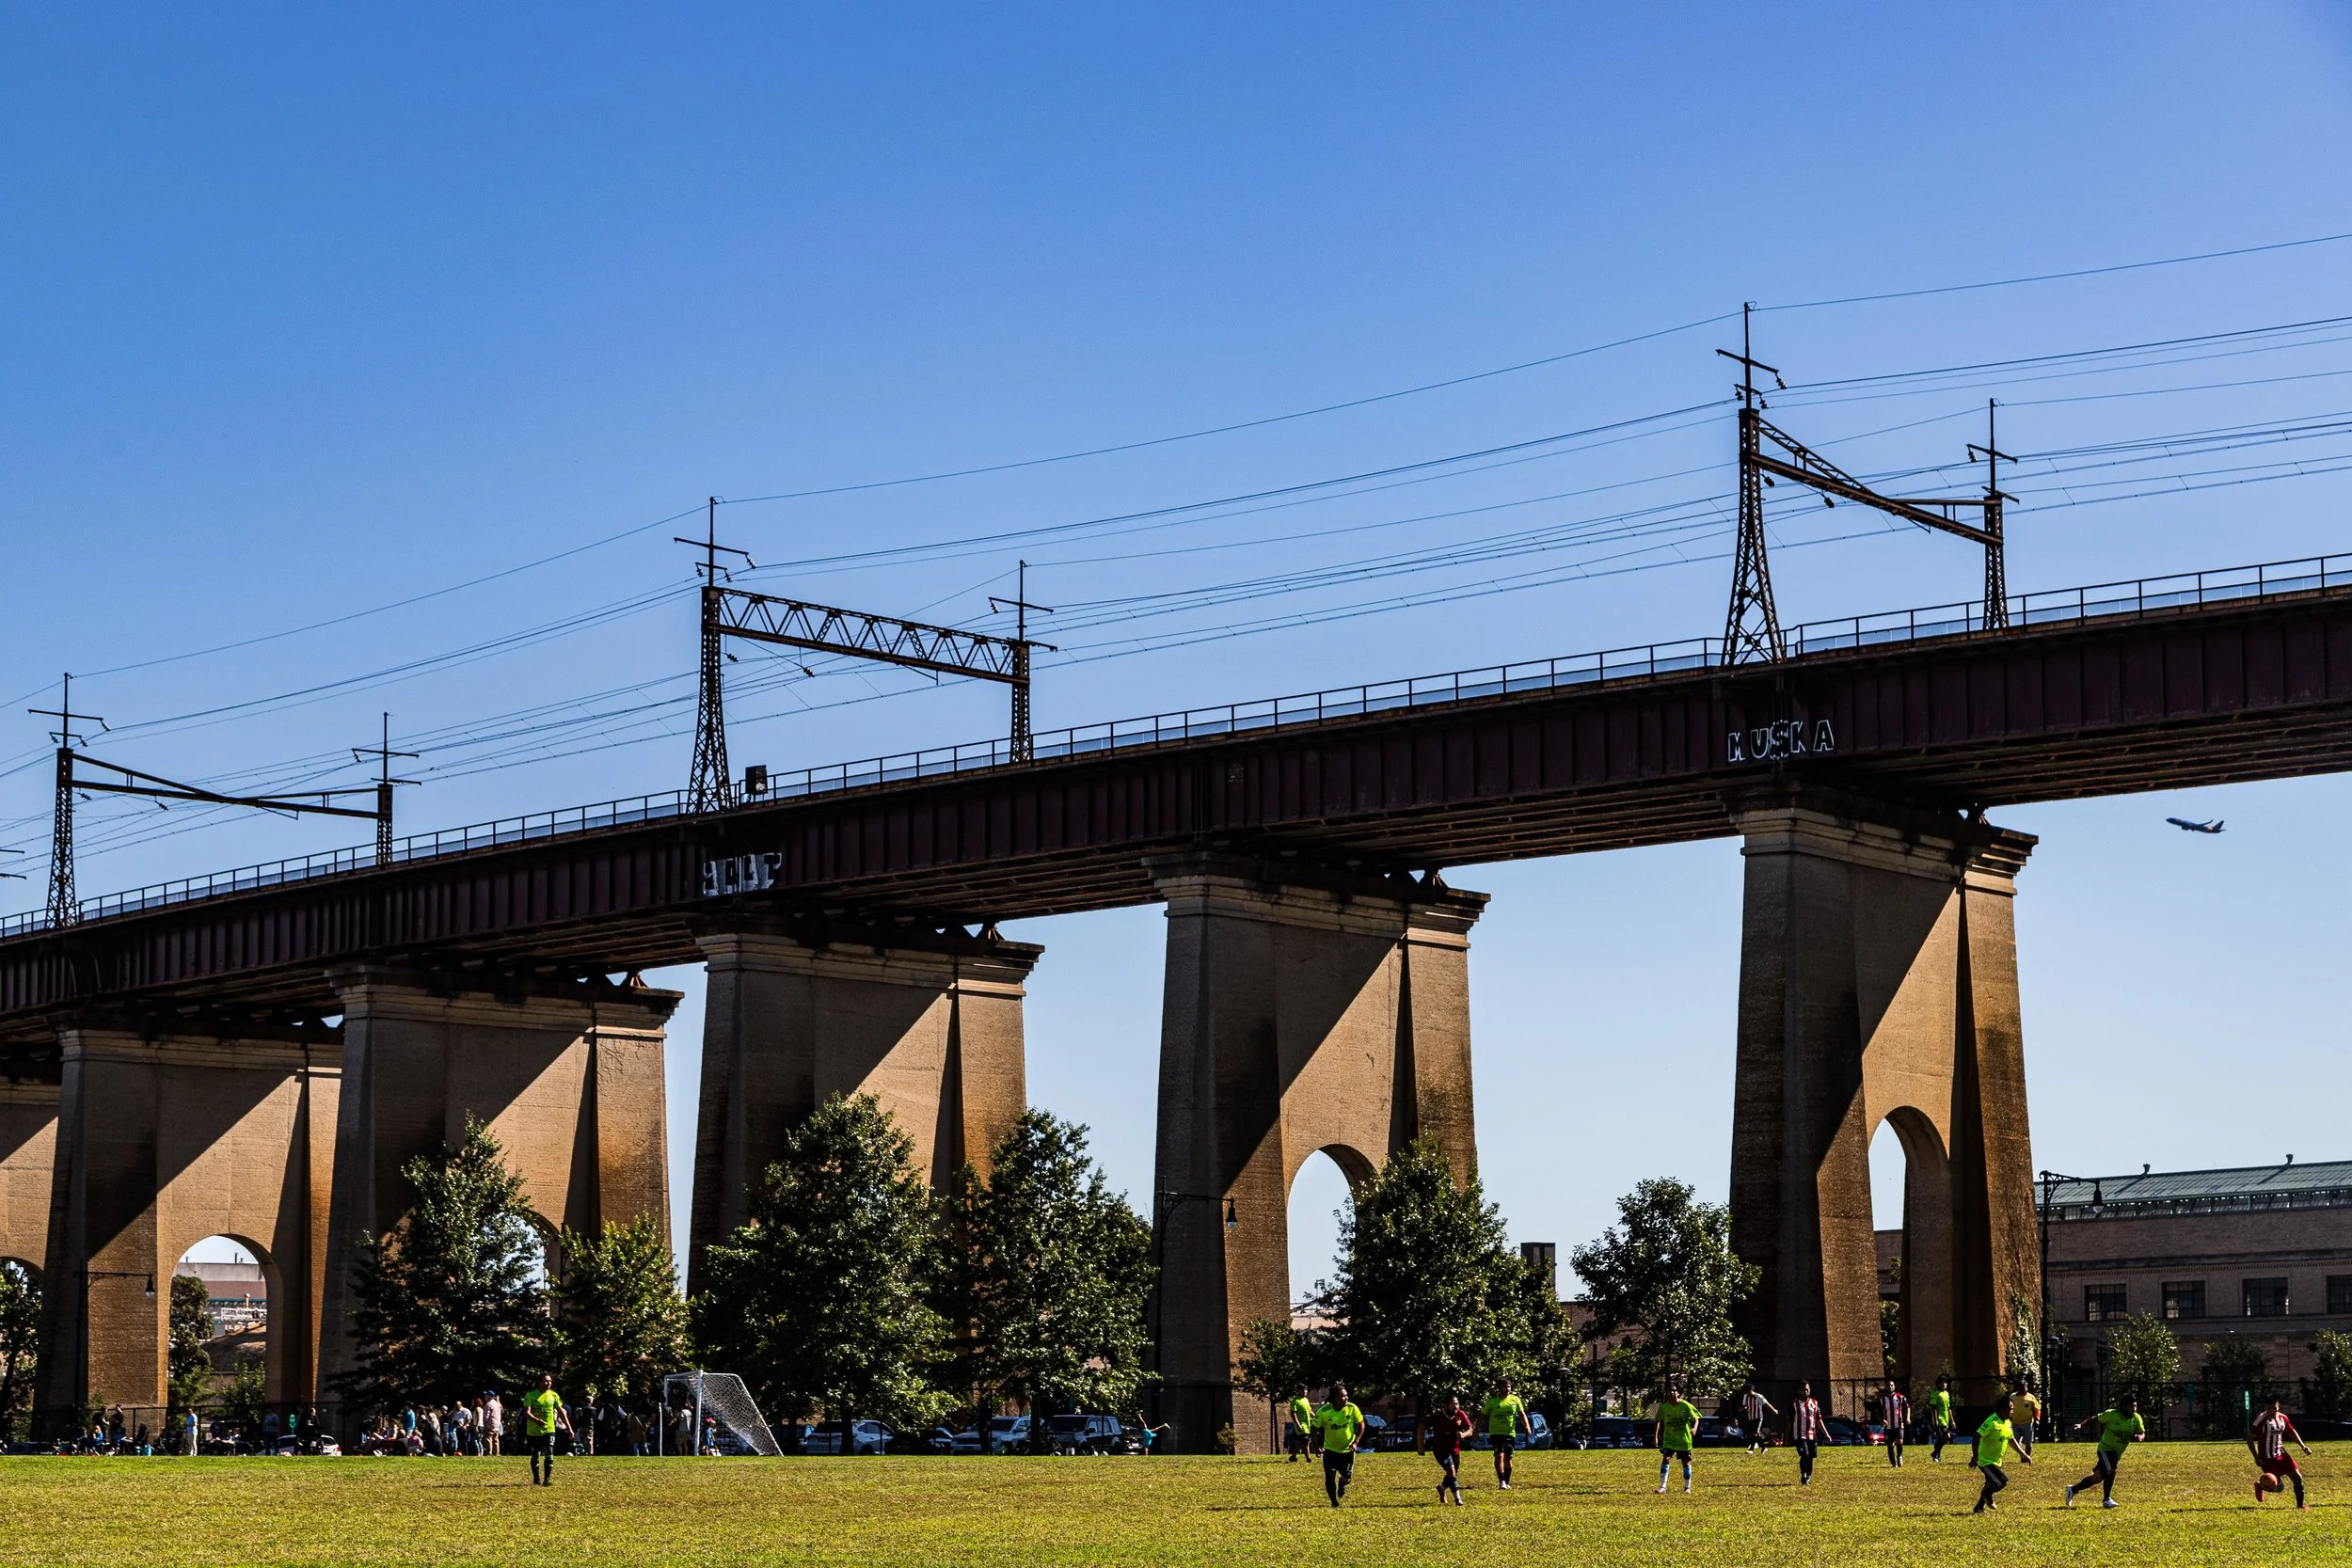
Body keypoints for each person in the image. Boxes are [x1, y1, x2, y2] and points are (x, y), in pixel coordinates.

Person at [2063, 1393, 2145, 1510]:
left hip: (2116, 1453)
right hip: (2105, 1449)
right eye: (2131, 1406)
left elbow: (2142, 1432)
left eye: (2135, 1406)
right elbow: (2095, 1419)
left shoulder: (2136, 1418)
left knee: (2097, 1478)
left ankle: (2073, 1489)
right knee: (2111, 1471)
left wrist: (2140, 1437)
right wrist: (2081, 1425)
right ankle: (2107, 1500)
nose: (2134, 1409)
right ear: (2123, 1407)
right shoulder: (2112, 1414)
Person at [1968, 1392, 2032, 1513]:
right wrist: (1975, 1456)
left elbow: (2011, 1439)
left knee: (1990, 1483)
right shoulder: (1992, 1422)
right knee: (2001, 1481)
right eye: (2011, 1409)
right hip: (1985, 1461)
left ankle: (1979, 1508)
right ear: (2003, 1410)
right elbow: (1977, 1436)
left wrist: (2023, 1454)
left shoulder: (2007, 1422)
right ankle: (1987, 1495)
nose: (2012, 1411)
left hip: (1996, 1460)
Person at [2249, 1396, 2312, 1509]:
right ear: (2265, 1408)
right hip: (2267, 1458)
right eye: (2269, 1409)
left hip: (2282, 1454)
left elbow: (2292, 1432)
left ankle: (2300, 1505)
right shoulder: (2260, 1420)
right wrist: (2256, 1457)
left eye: (2274, 1408)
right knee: (2279, 1488)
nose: (2271, 1411)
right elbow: (2249, 1439)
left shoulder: (2283, 1418)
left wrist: (2303, 1446)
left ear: (2278, 1406)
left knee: (2298, 1478)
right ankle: (2260, 1486)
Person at [1313, 1386, 1367, 1507]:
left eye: (1346, 1395)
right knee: (1330, 1476)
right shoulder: (1323, 1411)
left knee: (1347, 1478)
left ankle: (1342, 1484)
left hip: (1348, 1450)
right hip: (1330, 1450)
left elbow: (1361, 1424)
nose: (1346, 1398)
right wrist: (1317, 1446)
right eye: (1343, 1396)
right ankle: (1334, 1502)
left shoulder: (1352, 1408)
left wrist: (1355, 1442)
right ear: (1334, 1399)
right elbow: (1314, 1428)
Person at [522, 1373, 572, 1486]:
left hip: (549, 1429)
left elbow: (561, 1412)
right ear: (539, 1382)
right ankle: (536, 1479)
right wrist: (537, 1420)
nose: (549, 1383)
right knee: (536, 1453)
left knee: (550, 1450)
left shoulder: (553, 1395)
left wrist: (569, 1428)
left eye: (550, 1381)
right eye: (546, 1381)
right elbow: (526, 1413)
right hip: (533, 1430)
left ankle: (547, 1479)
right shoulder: (531, 1395)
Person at [1483, 1379, 1532, 1489]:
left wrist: (1527, 1426)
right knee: (1499, 1455)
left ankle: (1507, 1481)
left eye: (1509, 1387)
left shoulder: (1515, 1400)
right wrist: (1476, 1430)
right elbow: (1482, 1415)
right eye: (1505, 1387)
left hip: (1510, 1433)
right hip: (1496, 1433)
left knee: (1508, 1458)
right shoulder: (1492, 1402)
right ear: (1499, 1388)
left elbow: (1522, 1414)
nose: (1507, 1389)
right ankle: (1501, 1481)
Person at [1426, 1393, 1473, 1506]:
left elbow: (1470, 1429)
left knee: (1452, 1473)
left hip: (1455, 1449)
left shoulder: (1460, 1414)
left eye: (1457, 1404)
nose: (1456, 1406)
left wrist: (1463, 1434)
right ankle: (1458, 1498)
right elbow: (1421, 1427)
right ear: (1446, 1406)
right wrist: (1421, 1447)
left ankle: (1441, 1488)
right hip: (1440, 1449)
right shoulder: (1438, 1416)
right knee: (1451, 1471)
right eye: (1453, 1404)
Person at [1655, 1384, 1700, 1494]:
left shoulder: (1685, 1405)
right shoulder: (1664, 1407)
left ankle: (1687, 1488)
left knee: (1686, 1463)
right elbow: (1657, 1421)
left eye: (1674, 1391)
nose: (1672, 1392)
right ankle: (1663, 1487)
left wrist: (1694, 1428)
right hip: (1669, 1439)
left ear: (1678, 1393)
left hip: (1684, 1440)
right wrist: (1655, 1437)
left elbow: (1696, 1418)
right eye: (1669, 1391)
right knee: (1666, 1459)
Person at [1789, 1383, 1824, 1485]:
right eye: (1804, 1389)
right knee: (1805, 1454)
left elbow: (1818, 1420)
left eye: (1807, 1389)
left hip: (1812, 1435)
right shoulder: (1794, 1404)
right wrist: (1786, 1437)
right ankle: (1803, 1475)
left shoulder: (1814, 1403)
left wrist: (1826, 1434)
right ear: (1799, 1390)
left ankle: (1808, 1477)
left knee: (1811, 1457)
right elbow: (1789, 1421)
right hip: (1800, 1435)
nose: (1806, 1391)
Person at [1740, 1384, 1778, 1453]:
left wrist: (1774, 1410)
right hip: (1750, 1417)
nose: (1747, 1393)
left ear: (1752, 1390)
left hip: (1758, 1417)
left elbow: (1766, 1403)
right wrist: (1743, 1408)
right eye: (1746, 1392)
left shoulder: (1758, 1396)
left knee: (1756, 1432)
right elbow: (1745, 1405)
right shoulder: (1746, 1396)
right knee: (1755, 1434)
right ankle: (1764, 1448)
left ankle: (1751, 1450)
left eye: (1749, 1392)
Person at [1881, 1381, 1910, 1467]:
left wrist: (1907, 1418)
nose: (1890, 1387)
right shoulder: (1882, 1399)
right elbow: (1877, 1412)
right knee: (1890, 1444)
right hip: (1888, 1426)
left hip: (1899, 1424)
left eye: (1892, 1385)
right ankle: (1893, 1463)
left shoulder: (1900, 1397)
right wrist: (1882, 1420)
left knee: (1899, 1442)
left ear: (1894, 1386)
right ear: (1886, 1387)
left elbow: (1907, 1408)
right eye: (1888, 1385)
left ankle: (1899, 1456)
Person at [1927, 1376, 1955, 1462]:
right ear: (1938, 1384)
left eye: (1945, 1383)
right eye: (1942, 1383)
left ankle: (1936, 1454)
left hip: (1946, 1420)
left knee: (1941, 1438)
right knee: (1947, 1436)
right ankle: (1936, 1454)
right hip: (1939, 1419)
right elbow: (1933, 1408)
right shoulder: (1935, 1393)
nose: (1944, 1384)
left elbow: (1949, 1408)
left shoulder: (1946, 1393)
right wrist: (1935, 1421)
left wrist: (1952, 1421)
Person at [2011, 1379, 2040, 1459]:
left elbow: (2036, 1409)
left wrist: (2037, 1419)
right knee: (2015, 1442)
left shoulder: (2031, 1397)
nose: (2024, 1389)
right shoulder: (2012, 1397)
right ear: (2018, 1388)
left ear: (2027, 1388)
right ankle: (2023, 1456)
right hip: (2015, 1423)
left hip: (2028, 1423)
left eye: (2025, 1387)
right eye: (2022, 1387)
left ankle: (2027, 1458)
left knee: (2028, 1442)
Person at [1286, 1387, 1313, 1464]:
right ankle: (1308, 1459)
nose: (1304, 1391)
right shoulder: (1295, 1401)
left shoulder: (1306, 1400)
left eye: (1306, 1390)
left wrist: (1316, 1418)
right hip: (1301, 1425)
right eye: (1302, 1390)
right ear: (1298, 1391)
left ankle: (1293, 1456)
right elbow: (1293, 1414)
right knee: (1306, 1441)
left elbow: (1310, 1411)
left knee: (1300, 1441)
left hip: (1307, 1424)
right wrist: (1298, 1425)